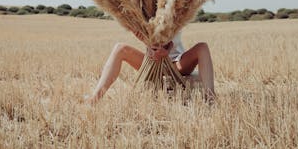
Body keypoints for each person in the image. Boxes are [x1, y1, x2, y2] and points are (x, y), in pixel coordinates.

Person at [85, 31, 215, 103]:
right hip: (151, 61)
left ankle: (210, 99)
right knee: (120, 48)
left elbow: (176, 33)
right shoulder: (145, 7)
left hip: (176, 62)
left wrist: (167, 50)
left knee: (202, 47)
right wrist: (147, 44)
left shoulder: (175, 4)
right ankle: (95, 98)